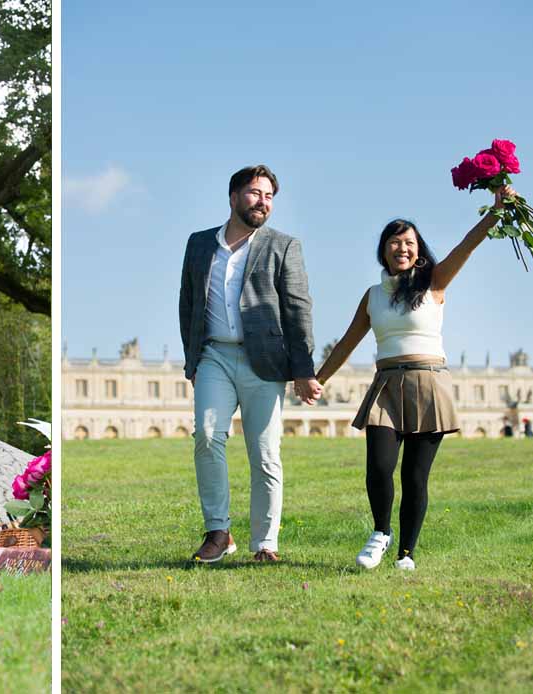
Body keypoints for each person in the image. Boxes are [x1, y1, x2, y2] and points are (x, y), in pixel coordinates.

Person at [316, 184, 516, 571]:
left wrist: (495, 212)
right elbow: (346, 343)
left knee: (415, 477)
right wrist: (318, 378)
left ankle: (406, 553)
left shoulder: (435, 283)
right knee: (378, 466)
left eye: (408, 242)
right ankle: (380, 533)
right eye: (394, 242)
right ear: (383, 250)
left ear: (418, 249)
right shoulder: (373, 295)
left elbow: (466, 246)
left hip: (428, 384)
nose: (402, 248)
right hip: (387, 385)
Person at [179, 164, 320, 564]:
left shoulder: (283, 245)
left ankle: (265, 544)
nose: (263, 202)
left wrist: (303, 369)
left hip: (265, 360)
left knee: (264, 453)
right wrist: (193, 360)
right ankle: (218, 531)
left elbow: (298, 309)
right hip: (214, 356)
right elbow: (188, 301)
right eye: (256, 193)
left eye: (270, 196)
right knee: (207, 436)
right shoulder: (200, 244)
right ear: (234, 196)